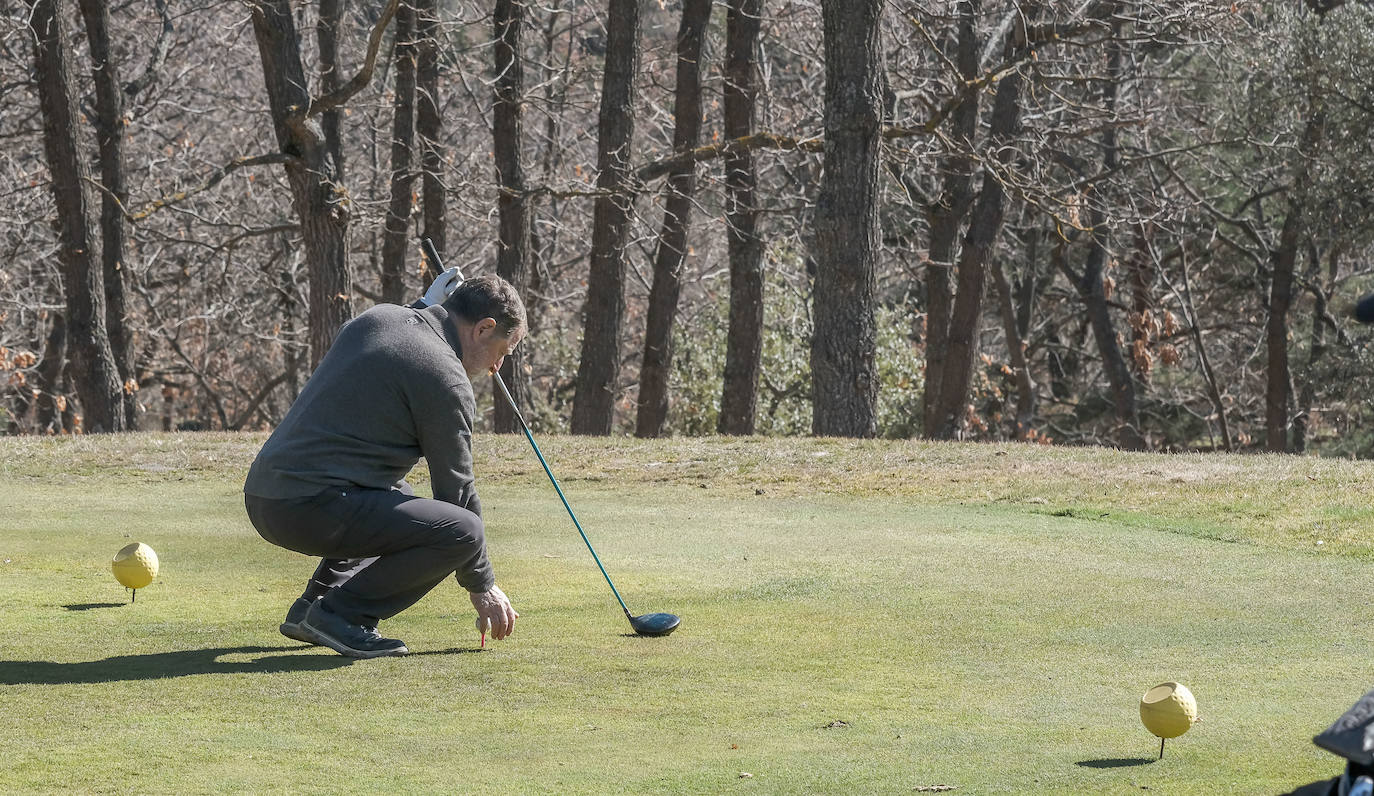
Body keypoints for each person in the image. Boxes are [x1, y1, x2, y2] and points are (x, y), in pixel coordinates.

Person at [243, 272, 524, 658]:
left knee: (397, 497)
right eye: (504, 351)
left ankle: (313, 608)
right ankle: (342, 615)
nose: (498, 367)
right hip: (309, 509)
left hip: (263, 496)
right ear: (484, 328)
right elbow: (456, 493)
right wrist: (482, 585)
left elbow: (409, 328)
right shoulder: (446, 378)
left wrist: (427, 304)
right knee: (463, 531)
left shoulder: (377, 318)